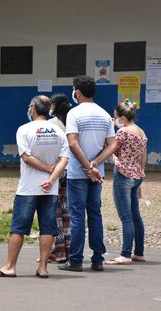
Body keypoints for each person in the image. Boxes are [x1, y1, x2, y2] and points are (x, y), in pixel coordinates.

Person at [0, 95, 68, 278]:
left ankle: (10, 266)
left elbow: (26, 157)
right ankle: (43, 268)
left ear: (32, 108)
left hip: (28, 189)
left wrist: (48, 169)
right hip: (51, 189)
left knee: (18, 227)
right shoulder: (59, 132)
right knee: (48, 228)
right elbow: (64, 160)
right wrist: (52, 177)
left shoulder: (24, 130)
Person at [58, 75, 117, 272]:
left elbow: (73, 143)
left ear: (78, 92)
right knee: (95, 215)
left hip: (78, 173)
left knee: (76, 217)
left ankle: (75, 260)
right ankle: (98, 259)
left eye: (74, 89)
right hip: (96, 174)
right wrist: (95, 164)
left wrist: (86, 166)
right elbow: (112, 144)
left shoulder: (74, 114)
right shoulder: (104, 114)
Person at [106, 99, 147, 265]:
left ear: (122, 117)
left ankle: (125, 254)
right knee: (136, 216)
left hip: (123, 174)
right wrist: (141, 176)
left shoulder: (122, 132)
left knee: (126, 217)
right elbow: (143, 156)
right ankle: (139, 252)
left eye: (115, 117)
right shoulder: (141, 132)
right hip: (137, 176)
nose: (114, 120)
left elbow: (111, 148)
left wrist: (108, 129)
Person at [47, 93, 72, 263]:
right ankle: (69, 250)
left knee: (54, 213)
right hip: (71, 172)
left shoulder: (51, 125)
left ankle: (57, 251)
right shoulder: (73, 123)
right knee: (67, 212)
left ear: (55, 106)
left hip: (56, 171)